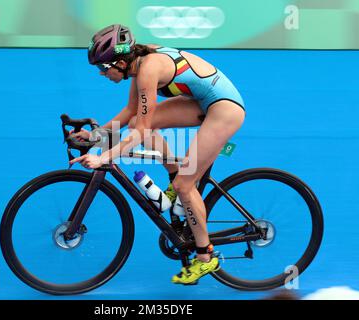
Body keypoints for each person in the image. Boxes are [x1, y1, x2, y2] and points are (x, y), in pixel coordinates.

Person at [70, 24, 246, 285]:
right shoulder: (137, 64)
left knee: (185, 185)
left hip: (224, 110)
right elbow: (131, 112)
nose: (101, 74)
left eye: (103, 68)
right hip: (202, 101)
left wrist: (104, 157)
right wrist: (95, 136)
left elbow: (140, 132)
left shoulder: (147, 71)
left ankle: (205, 257)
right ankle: (174, 173)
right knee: (143, 130)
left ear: (119, 61)